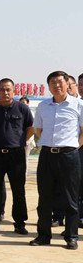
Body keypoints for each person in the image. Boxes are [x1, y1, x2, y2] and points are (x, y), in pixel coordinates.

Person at [30, 71, 83, 250]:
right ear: (49, 86)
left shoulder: (78, 104)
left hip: (69, 156)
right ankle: (43, 235)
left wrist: (73, 147)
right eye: (52, 82)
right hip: (47, 155)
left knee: (70, 198)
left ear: (68, 84)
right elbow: (38, 130)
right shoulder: (43, 106)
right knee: (44, 197)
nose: (57, 85)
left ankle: (71, 236)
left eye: (60, 82)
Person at [0, 78, 34, 235]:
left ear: (14, 91)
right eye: (2, 89)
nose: (5, 92)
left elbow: (30, 129)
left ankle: (19, 223)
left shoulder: (22, 109)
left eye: (8, 89)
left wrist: (19, 142)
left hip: (16, 155)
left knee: (18, 190)